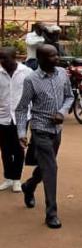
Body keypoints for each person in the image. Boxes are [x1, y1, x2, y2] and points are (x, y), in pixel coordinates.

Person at [16, 45, 73, 229]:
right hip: (40, 129)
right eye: (51, 56)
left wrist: (62, 112)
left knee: (44, 166)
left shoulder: (63, 74)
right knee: (51, 168)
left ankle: (29, 186)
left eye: (57, 54)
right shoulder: (31, 80)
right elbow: (22, 108)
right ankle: (52, 214)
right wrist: (22, 133)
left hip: (57, 130)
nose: (57, 58)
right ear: (40, 59)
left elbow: (70, 97)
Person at [0, 47, 32, 193]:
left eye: (4, 58)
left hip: (21, 117)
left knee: (19, 149)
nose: (2, 62)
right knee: (5, 149)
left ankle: (17, 179)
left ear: (14, 58)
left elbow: (33, 92)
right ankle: (8, 178)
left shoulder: (26, 72)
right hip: (3, 117)